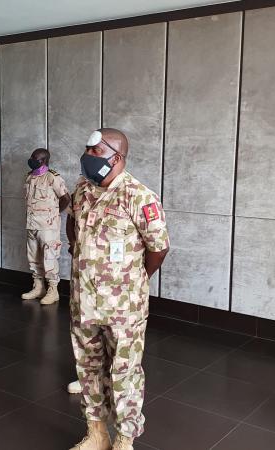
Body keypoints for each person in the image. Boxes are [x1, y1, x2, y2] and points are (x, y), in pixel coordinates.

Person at [67, 128, 169, 450]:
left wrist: (135, 279)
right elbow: (72, 223)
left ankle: (125, 438)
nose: (87, 156)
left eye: (95, 151)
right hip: (83, 300)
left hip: (123, 306)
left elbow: (158, 248)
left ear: (116, 158)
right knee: (88, 367)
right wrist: (79, 254)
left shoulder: (139, 196)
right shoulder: (82, 189)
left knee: (125, 372)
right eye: (87, 150)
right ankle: (97, 434)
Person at [21, 148, 70, 305]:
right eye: (31, 156)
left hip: (47, 227)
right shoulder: (29, 176)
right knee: (33, 257)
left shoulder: (52, 177)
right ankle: (38, 287)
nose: (32, 160)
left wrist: (54, 214)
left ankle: (53, 290)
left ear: (44, 161)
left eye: (35, 158)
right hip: (31, 224)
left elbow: (66, 198)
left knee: (49, 257)